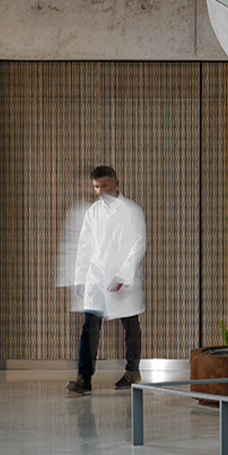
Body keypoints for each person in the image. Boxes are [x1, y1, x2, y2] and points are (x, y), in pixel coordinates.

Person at [66, 165, 147, 395]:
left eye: (104, 185)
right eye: (96, 187)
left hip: (122, 277)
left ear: (116, 182)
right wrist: (80, 278)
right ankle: (84, 377)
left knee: (130, 325)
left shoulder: (131, 210)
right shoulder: (93, 212)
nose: (100, 191)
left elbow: (139, 245)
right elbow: (84, 246)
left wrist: (123, 275)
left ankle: (132, 370)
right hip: (96, 276)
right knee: (89, 327)